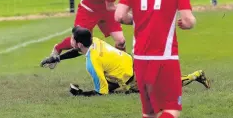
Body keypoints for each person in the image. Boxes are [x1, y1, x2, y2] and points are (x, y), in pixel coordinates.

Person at [40, 26, 209, 97]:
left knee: (167, 87)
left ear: (78, 43)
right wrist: (58, 57)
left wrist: (81, 95)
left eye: (72, 38)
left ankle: (196, 75)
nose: (69, 40)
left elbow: (102, 93)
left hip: (134, 77)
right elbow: (77, 52)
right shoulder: (95, 41)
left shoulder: (92, 62)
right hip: (133, 64)